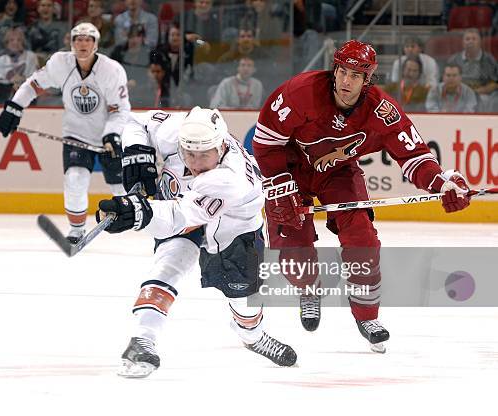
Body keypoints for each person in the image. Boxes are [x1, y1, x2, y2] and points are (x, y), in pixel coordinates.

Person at [252, 40, 471, 353]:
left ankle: (367, 316)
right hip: (291, 169)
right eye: (342, 71)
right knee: (294, 245)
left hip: (338, 172)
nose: (345, 81)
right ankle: (308, 289)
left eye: (355, 75)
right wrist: (280, 183)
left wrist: (441, 183)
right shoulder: (300, 92)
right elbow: (265, 141)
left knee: (362, 238)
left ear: (367, 79)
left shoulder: (382, 112)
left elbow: (415, 155)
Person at [95, 107, 297, 378]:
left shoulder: (229, 179)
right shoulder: (179, 129)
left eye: (204, 155)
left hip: (233, 230)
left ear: (221, 145)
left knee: (244, 298)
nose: (195, 162)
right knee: (168, 267)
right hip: (184, 209)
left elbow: (180, 216)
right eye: (189, 154)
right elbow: (136, 121)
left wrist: (136, 214)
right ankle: (142, 340)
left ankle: (252, 336)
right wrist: (136, 153)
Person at [0, 22, 131, 244]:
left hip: (109, 136)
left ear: (96, 44)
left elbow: (121, 109)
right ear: (71, 43)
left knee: (119, 186)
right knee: (75, 179)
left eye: (88, 39)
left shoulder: (112, 70)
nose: (83, 43)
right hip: (76, 134)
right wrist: (15, 106)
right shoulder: (60, 63)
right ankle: (76, 230)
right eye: (78, 39)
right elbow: (33, 84)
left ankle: (138, 223)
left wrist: (112, 134)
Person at [447, 28, 498, 112]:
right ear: (463, 43)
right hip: (458, 93)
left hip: (482, 94)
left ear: (480, 42)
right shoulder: (454, 60)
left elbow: (494, 84)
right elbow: (447, 82)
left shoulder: (489, 60)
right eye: (467, 39)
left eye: (474, 39)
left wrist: (477, 92)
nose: (470, 41)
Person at [0, 26, 38, 104]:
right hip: (5, 91)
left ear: (23, 42)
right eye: (11, 40)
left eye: (19, 40)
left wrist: (22, 79)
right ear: (6, 43)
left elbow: (34, 75)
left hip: (26, 89)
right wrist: (11, 80)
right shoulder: (1, 58)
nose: (15, 43)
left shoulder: (31, 56)